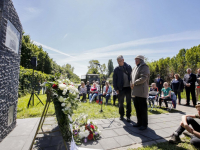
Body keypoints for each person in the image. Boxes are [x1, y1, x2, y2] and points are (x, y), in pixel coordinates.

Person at [131, 55, 150, 130]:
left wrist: (134, 83)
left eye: (137, 60)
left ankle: (144, 124)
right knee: (137, 108)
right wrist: (131, 83)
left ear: (141, 60)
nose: (135, 61)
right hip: (135, 91)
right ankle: (139, 122)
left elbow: (144, 78)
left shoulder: (144, 67)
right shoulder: (135, 67)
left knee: (143, 108)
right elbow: (131, 77)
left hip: (141, 91)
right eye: (135, 59)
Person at [113, 55, 132, 122]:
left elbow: (132, 76)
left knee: (128, 102)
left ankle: (128, 116)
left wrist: (132, 84)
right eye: (117, 61)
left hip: (128, 88)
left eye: (120, 61)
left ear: (123, 60)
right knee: (121, 103)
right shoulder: (116, 69)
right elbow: (114, 80)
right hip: (120, 88)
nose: (118, 63)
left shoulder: (129, 67)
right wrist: (116, 88)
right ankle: (121, 115)